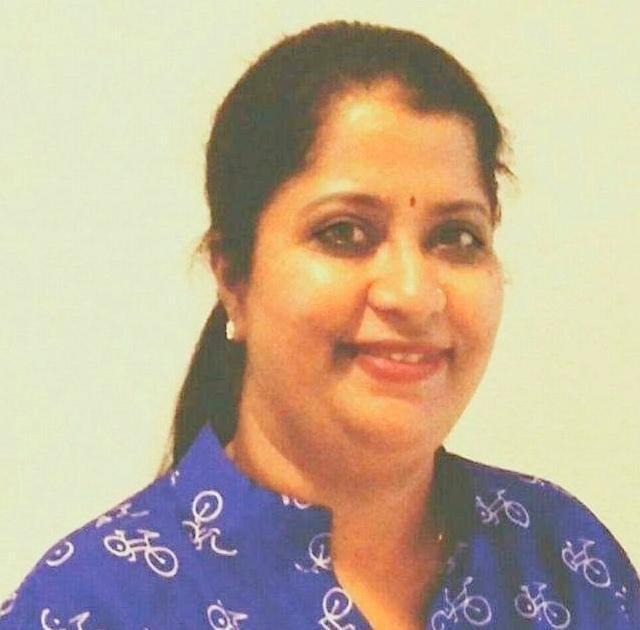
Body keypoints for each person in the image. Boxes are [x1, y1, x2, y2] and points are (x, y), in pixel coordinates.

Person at [1, 20, 637, 630]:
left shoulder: (564, 563)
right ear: (234, 277)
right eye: (345, 233)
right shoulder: (96, 607)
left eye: (456, 237)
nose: (413, 295)